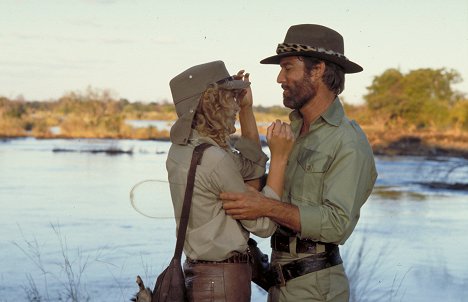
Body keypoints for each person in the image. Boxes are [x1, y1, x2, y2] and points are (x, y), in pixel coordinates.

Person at [220, 24, 378, 302]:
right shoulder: (292, 133)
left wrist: (266, 207)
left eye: (288, 68)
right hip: (281, 282)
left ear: (317, 70)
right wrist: (246, 111)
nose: (280, 78)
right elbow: (257, 187)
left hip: (316, 290)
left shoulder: (348, 142)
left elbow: (338, 224)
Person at [166, 60, 294, 302]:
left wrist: (247, 110)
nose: (235, 105)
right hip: (223, 282)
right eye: (230, 97)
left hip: (202, 276)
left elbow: (251, 166)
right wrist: (279, 158)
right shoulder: (214, 158)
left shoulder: (185, 150)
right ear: (212, 103)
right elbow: (264, 226)